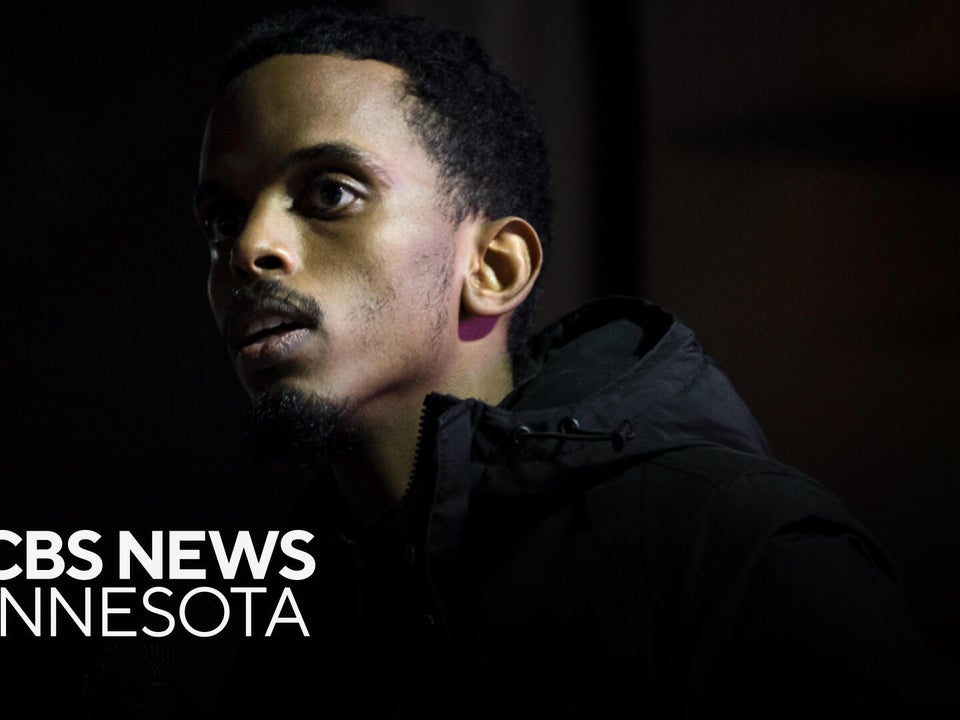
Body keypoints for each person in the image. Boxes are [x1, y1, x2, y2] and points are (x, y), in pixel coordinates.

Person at [193, 8, 946, 718]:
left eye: (330, 192)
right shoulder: (280, 626)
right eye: (224, 217)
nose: (250, 248)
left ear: (494, 267)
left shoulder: (738, 546)